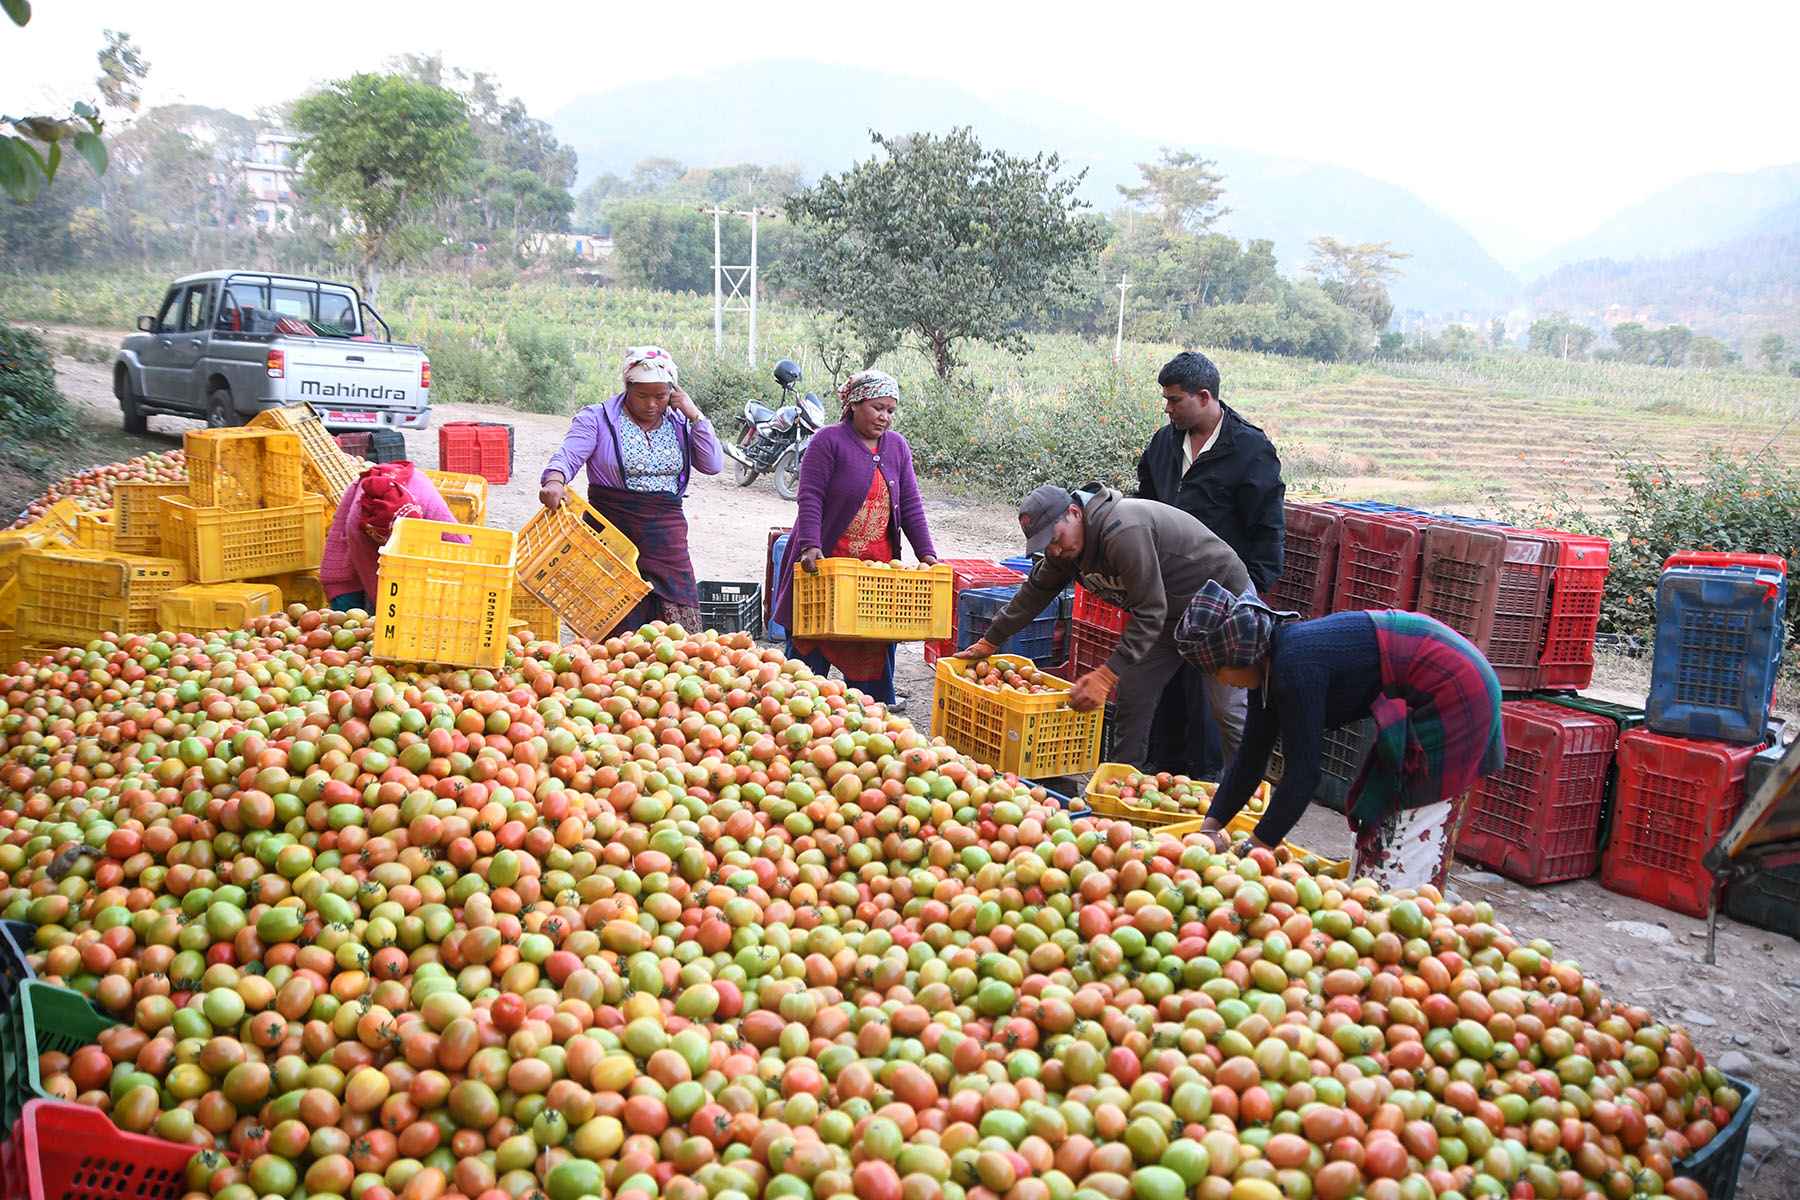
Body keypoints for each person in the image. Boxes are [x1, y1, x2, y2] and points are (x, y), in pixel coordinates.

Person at [1175, 582, 1505, 893]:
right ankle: (1375, 898)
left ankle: (1405, 901)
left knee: (1409, 820)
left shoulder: (1293, 669)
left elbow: (1303, 775)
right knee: (1380, 810)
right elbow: (1250, 758)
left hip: (1457, 689)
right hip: (1430, 678)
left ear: (1239, 654)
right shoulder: (1266, 668)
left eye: (1217, 671)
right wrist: (1210, 828)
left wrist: (1257, 848)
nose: (1220, 681)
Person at [962, 483, 1250, 766]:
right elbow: (1035, 592)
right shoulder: (1065, 551)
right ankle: (1120, 779)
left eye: (1056, 539)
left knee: (1227, 708)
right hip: (1168, 614)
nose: (1055, 550)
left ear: (1074, 513)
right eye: (1046, 545)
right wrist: (990, 639)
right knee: (1133, 690)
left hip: (1219, 597)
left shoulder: (1122, 531)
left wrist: (1105, 675)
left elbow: (1149, 610)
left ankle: (1246, 785)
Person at [1138, 350, 1287, 782]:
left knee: (1212, 688)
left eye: (1174, 400)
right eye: (1166, 400)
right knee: (1164, 680)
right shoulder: (1165, 443)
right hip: (1169, 586)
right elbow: (1146, 501)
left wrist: (1251, 591)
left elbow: (1268, 527)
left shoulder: (1249, 450)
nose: (1168, 408)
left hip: (1222, 593)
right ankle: (1162, 766)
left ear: (1204, 397)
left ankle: (1215, 779)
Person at [770, 370, 938, 707]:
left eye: (891, 410)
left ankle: (872, 723)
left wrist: (927, 555)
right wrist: (810, 545)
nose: (885, 417)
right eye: (878, 408)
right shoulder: (828, 441)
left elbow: (910, 504)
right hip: (825, 569)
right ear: (854, 404)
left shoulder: (897, 447)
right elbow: (810, 496)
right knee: (807, 667)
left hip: (874, 577)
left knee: (870, 659)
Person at [539, 345, 724, 633]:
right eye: (642, 395)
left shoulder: (679, 421)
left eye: (661, 396)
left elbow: (712, 464)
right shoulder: (597, 418)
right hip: (612, 532)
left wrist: (695, 415)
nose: (651, 404)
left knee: (680, 630)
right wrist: (554, 480)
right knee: (616, 621)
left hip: (666, 537)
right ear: (627, 387)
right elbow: (568, 455)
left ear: (673, 392)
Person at [321, 461, 459, 612]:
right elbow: (375, 582)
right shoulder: (358, 523)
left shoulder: (427, 500)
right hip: (357, 548)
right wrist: (390, 612)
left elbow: (460, 542)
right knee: (347, 597)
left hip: (416, 509)